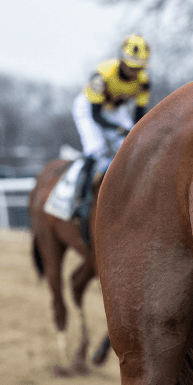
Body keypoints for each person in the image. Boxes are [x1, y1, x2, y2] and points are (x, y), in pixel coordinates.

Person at [70, 34, 151, 235]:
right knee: (95, 148)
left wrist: (133, 133)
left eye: (139, 68)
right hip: (89, 108)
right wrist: (119, 130)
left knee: (135, 145)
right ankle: (81, 199)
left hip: (115, 110)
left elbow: (140, 116)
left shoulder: (144, 81)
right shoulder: (101, 75)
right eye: (131, 67)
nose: (134, 72)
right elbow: (96, 116)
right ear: (121, 61)